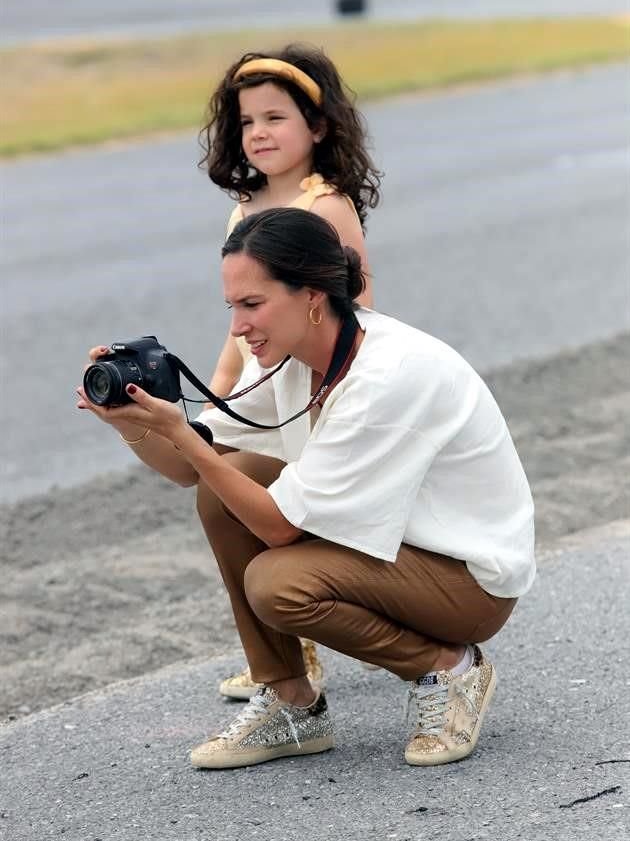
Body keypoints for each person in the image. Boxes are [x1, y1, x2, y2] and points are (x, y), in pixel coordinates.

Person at [77, 208, 536, 771]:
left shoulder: (388, 375)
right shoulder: (298, 358)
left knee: (277, 585)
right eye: (232, 307)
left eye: (253, 304)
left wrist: (181, 434)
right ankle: (291, 702)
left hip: (466, 580)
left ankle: (449, 667)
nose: (238, 327)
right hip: (394, 547)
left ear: (312, 296)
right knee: (225, 485)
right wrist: (131, 421)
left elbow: (277, 526)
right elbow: (188, 468)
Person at [198, 42, 381, 698]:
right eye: (247, 121)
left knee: (277, 514)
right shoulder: (244, 209)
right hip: (257, 398)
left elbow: (355, 314)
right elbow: (238, 326)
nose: (259, 133)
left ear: (318, 127)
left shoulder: (326, 207)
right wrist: (215, 403)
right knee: (222, 497)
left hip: (307, 399)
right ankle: (277, 659)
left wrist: (332, 407)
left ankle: (347, 632)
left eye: (276, 117)